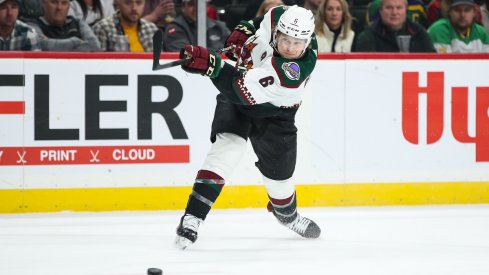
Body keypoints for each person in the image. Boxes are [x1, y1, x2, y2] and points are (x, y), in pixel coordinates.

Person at [174, 5, 321, 250]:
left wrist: (210, 66)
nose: (291, 48)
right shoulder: (280, 16)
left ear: (307, 41)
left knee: (280, 179)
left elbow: (237, 86)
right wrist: (246, 28)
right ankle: (193, 217)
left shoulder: (292, 73)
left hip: (274, 112)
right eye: (286, 40)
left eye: (298, 43)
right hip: (236, 102)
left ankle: (287, 215)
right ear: (277, 32)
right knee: (226, 152)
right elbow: (262, 18)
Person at [353, 0, 436, 52]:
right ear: (380, 11)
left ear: (405, 11)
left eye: (399, 8)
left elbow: (433, 62)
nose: (394, 12)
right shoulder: (368, 35)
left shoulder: (419, 32)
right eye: (389, 8)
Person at [27, 0, 101, 51]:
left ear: (69, 6)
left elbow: (94, 46)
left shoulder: (79, 23)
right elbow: (41, 45)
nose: (59, 7)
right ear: (43, 4)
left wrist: (53, 45)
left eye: (64, 3)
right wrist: (75, 41)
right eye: (54, 2)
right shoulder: (32, 26)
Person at [162, 0, 229, 52]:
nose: (197, 8)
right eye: (191, 4)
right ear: (183, 7)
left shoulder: (220, 26)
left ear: (208, 6)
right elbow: (184, 54)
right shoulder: (174, 28)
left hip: (220, 67)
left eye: (201, 4)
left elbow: (233, 51)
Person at [92, 0, 158, 52]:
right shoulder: (102, 28)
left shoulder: (152, 29)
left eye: (139, 3)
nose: (134, 8)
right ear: (118, 2)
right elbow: (98, 65)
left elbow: (159, 64)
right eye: (128, 2)